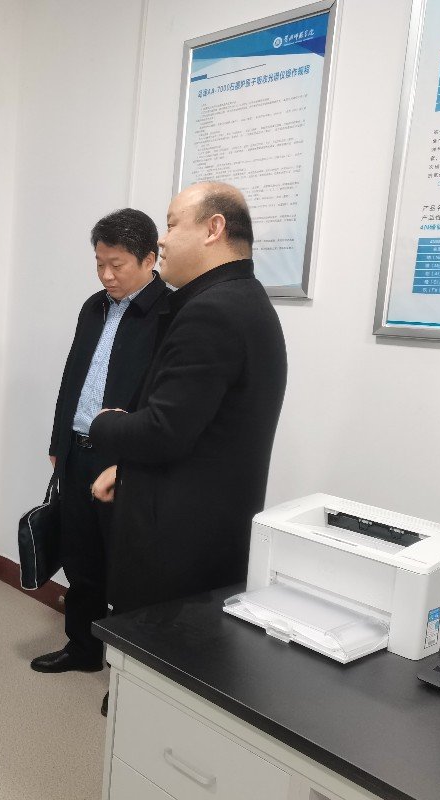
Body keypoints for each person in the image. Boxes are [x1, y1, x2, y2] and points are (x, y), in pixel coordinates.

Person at [90, 181, 288, 644]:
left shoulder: (212, 312)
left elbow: (163, 431)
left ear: (213, 229)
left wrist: (105, 423)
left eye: (172, 225)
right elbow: (198, 427)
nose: (162, 240)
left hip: (176, 546)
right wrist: (127, 468)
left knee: (157, 664)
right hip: (211, 534)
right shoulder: (245, 298)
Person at [30, 209, 170, 682]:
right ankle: (83, 647)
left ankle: (129, 676)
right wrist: (59, 439)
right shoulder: (93, 307)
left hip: (124, 458)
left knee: (127, 567)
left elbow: (161, 402)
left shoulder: (169, 314)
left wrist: (131, 461)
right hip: (78, 448)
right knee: (80, 556)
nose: (106, 275)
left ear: (149, 259)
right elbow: (73, 376)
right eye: (99, 263)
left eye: (117, 265)